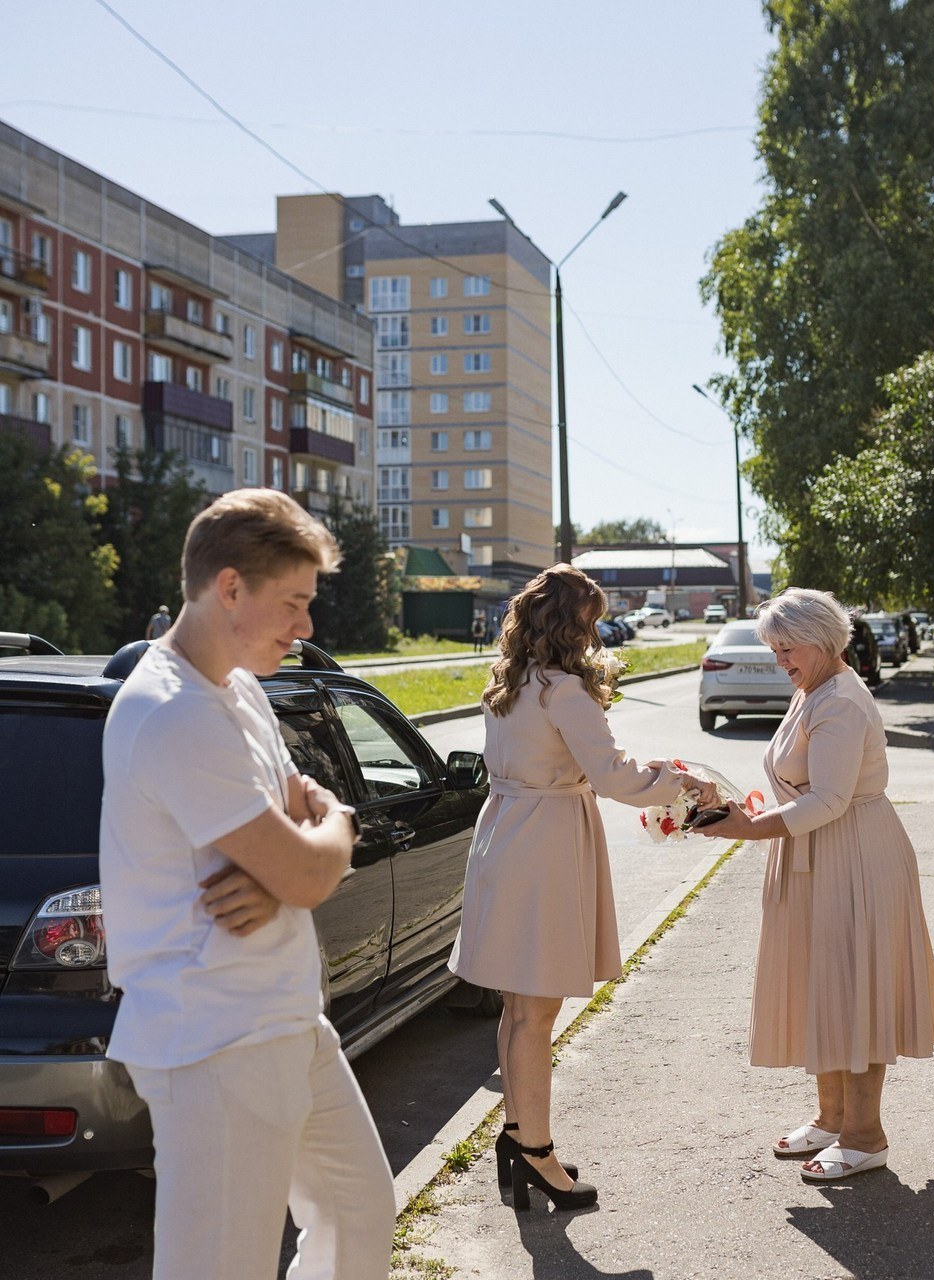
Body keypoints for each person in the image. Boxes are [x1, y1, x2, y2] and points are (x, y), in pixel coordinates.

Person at [99, 489, 396, 1280]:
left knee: (359, 1213)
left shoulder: (239, 690)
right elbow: (311, 847)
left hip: (284, 1019)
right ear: (229, 587)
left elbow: (303, 830)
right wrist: (311, 854)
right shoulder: (172, 711)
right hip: (214, 1038)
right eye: (293, 603)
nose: (306, 628)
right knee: (218, 1267)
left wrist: (298, 860)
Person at [447, 564, 715, 1212]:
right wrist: (683, 783)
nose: (596, 633)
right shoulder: (565, 689)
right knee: (536, 1015)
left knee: (519, 1010)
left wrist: (646, 771)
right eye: (592, 621)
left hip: (506, 835)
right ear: (573, 624)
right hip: (542, 845)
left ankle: (520, 1137)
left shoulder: (508, 685)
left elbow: (594, 767)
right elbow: (615, 776)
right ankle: (535, 1151)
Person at [694, 587, 934, 1182]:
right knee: (823, 987)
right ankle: (833, 1118)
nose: (778, 659)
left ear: (824, 639)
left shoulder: (838, 701)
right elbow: (799, 782)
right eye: (773, 648)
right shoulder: (814, 689)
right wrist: (742, 807)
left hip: (853, 855)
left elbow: (831, 798)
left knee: (855, 990)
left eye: (786, 647)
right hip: (819, 854)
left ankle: (866, 1136)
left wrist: (750, 828)